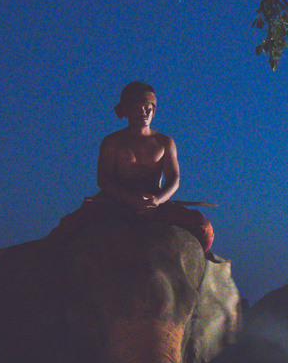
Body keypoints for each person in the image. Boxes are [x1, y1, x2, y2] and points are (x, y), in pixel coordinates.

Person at [56, 81, 215, 253]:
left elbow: (174, 179)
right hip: (114, 201)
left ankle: (204, 266)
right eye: (137, 108)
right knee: (67, 228)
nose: (143, 112)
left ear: (154, 110)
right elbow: (103, 179)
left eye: (147, 108)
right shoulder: (112, 142)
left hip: (153, 200)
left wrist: (156, 201)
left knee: (203, 228)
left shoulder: (164, 142)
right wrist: (130, 199)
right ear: (125, 111)